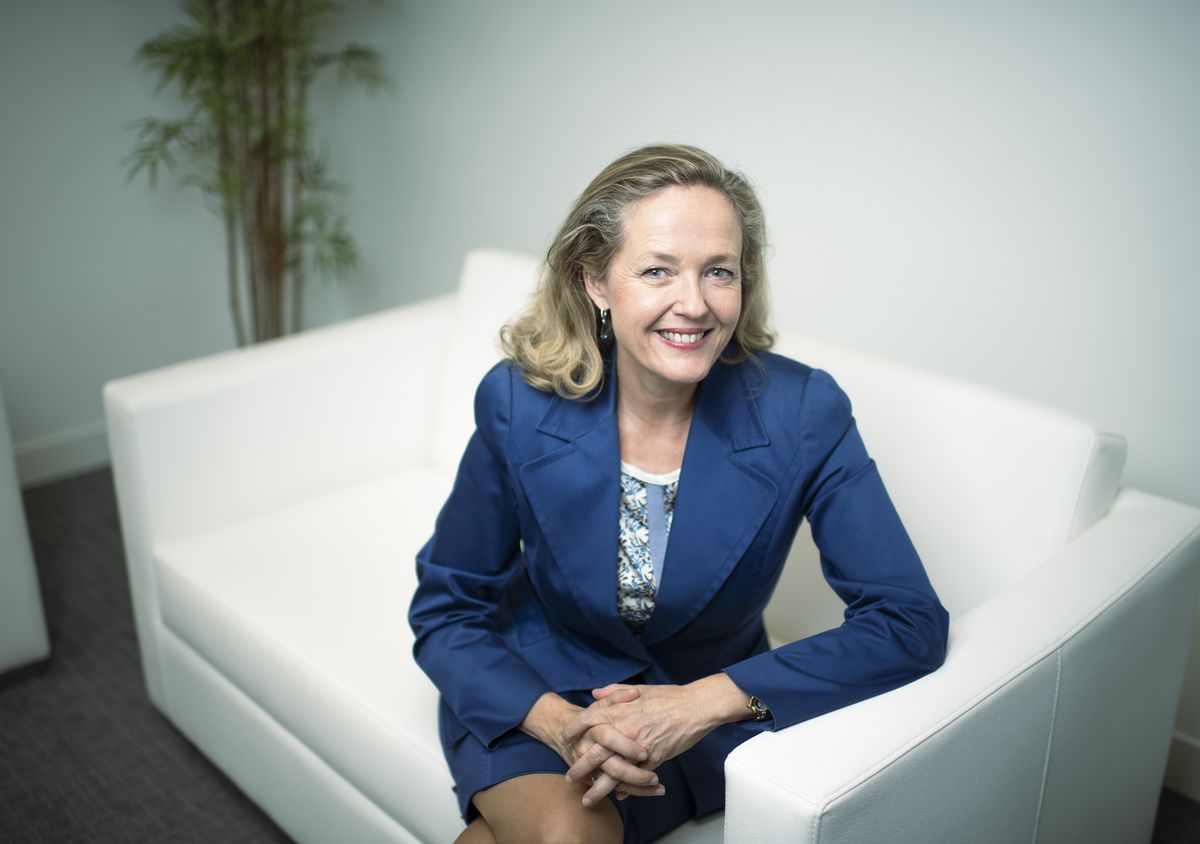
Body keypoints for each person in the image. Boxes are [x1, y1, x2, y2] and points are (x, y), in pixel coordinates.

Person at [409, 143, 949, 844]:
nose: (693, 305)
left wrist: (701, 704)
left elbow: (908, 621)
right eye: (657, 270)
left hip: (697, 716)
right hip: (532, 689)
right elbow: (447, 608)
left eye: (718, 271)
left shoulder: (803, 411)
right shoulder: (518, 400)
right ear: (596, 282)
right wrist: (561, 723)